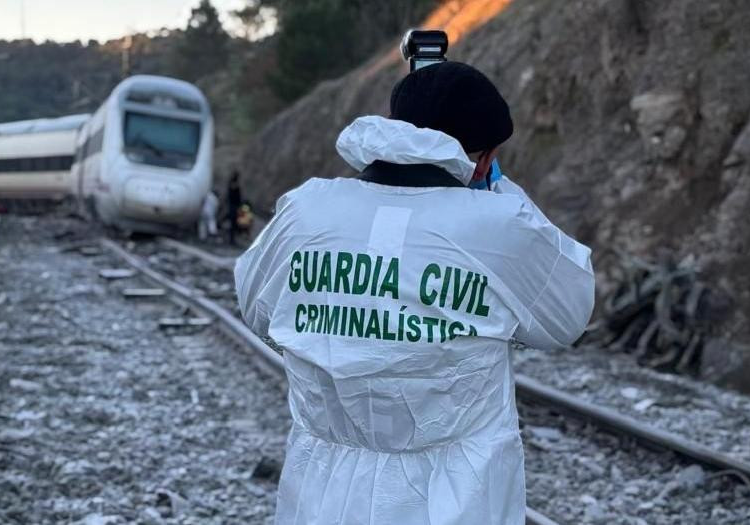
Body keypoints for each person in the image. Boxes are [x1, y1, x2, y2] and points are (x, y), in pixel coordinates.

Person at [234, 61, 595, 524]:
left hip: (322, 492)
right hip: (456, 499)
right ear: (484, 158)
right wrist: (499, 190)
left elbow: (258, 309)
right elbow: (569, 315)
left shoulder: (306, 209)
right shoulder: (501, 226)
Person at [227, 170, 243, 245]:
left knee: (233, 224)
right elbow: (237, 198)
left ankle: (232, 239)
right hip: (234, 207)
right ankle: (231, 240)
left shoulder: (231, 185)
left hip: (232, 206)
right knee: (233, 224)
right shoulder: (235, 186)